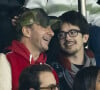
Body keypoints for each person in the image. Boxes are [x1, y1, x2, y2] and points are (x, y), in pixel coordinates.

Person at [0, 8, 55, 90]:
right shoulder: (5, 60)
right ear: (26, 31)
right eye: (44, 26)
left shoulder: (50, 69)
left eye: (51, 28)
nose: (52, 33)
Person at [48, 10, 96, 90]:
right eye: (62, 34)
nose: (67, 38)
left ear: (85, 38)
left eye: (73, 33)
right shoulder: (52, 70)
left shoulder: (97, 64)